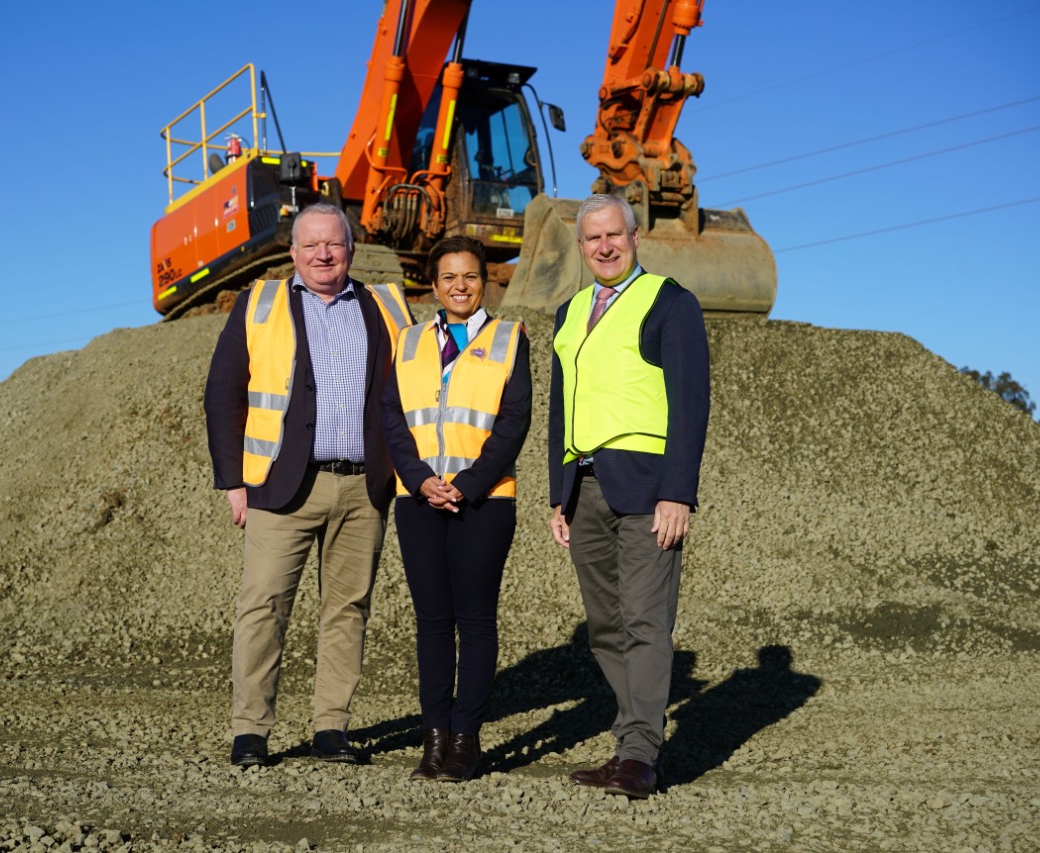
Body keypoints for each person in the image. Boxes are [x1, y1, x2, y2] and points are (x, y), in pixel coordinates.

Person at [204, 203, 413, 767]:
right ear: (293, 253)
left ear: (351, 248)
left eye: (335, 244)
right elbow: (223, 392)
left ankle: (331, 727)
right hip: (279, 484)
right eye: (312, 245)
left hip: (364, 486)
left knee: (348, 608)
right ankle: (251, 730)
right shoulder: (260, 303)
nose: (324, 254)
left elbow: (418, 390)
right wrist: (234, 482)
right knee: (264, 605)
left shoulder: (388, 305)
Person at [548, 194, 710, 799]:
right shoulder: (569, 313)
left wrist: (679, 493)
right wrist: (555, 494)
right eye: (593, 239)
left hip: (647, 490)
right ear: (581, 246)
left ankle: (641, 754)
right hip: (582, 486)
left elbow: (691, 404)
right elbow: (560, 408)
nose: (604, 247)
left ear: (635, 236)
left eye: (614, 235)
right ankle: (628, 744)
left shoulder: (670, 302)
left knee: (646, 620)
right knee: (606, 627)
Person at [382, 235, 531, 782]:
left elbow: (514, 422)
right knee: (432, 623)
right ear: (434, 284)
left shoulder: (511, 338)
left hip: (485, 501)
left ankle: (466, 740)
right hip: (418, 500)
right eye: (448, 277)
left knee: (475, 619)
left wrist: (466, 485)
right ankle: (434, 738)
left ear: (486, 279)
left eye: (469, 276)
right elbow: (393, 419)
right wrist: (422, 481)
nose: (460, 286)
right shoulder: (409, 341)